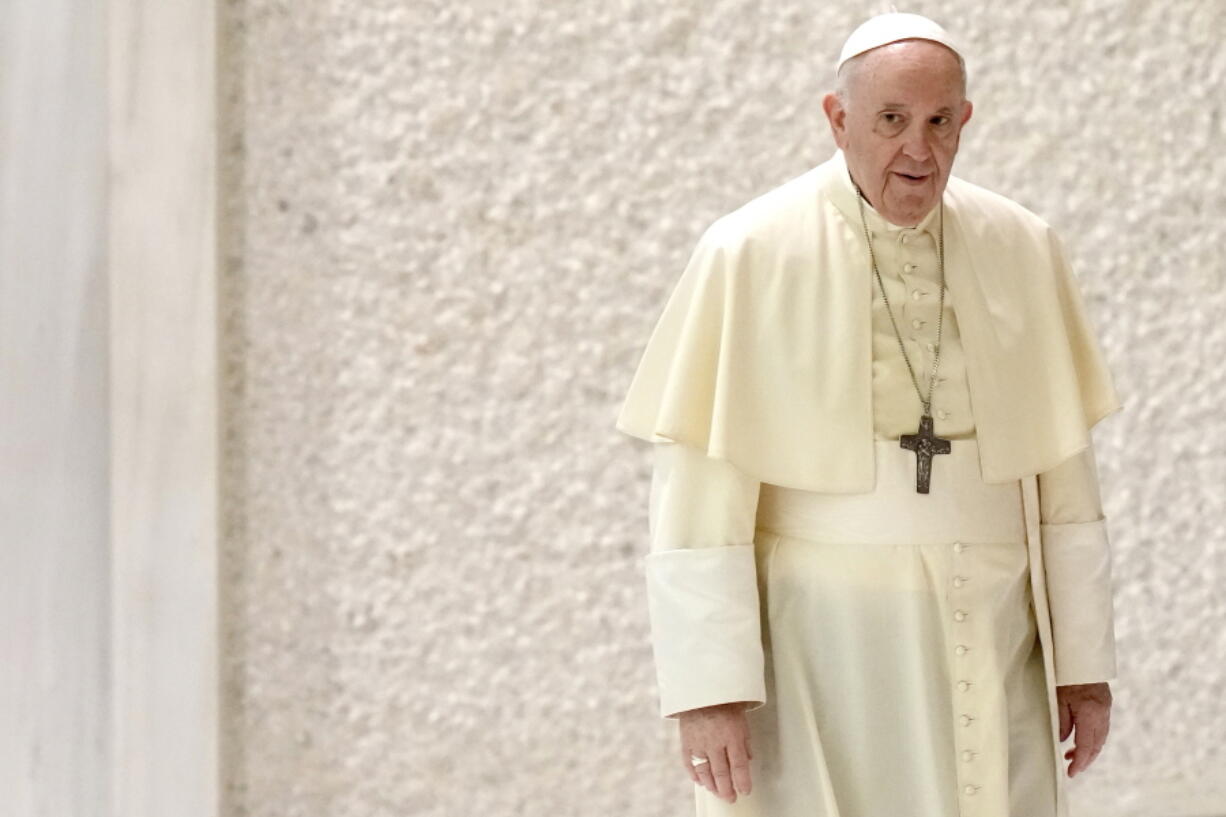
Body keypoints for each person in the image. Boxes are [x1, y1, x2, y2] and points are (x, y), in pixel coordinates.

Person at [615, 12, 1123, 817]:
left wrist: (1083, 666)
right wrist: (707, 687)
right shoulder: (749, 250)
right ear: (837, 117)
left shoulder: (1023, 244)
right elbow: (699, 492)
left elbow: (1065, 475)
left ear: (965, 120)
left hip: (992, 621)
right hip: (819, 639)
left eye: (939, 122)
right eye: (891, 121)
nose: (918, 151)